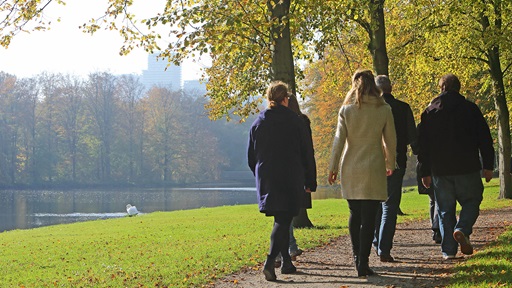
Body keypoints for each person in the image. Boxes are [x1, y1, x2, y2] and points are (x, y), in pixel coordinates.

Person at [417, 74, 494, 260]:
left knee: (445, 210)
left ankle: (448, 251)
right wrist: (488, 165)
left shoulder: (429, 112)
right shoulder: (471, 109)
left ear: (441, 88)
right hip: (467, 167)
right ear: (459, 88)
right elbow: (484, 138)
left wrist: (424, 171)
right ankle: (462, 228)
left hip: (440, 170)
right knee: (472, 201)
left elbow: (423, 146)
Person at [328, 69, 396, 277]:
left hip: (350, 167)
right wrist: (390, 162)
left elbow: (338, 141)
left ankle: (357, 257)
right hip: (374, 166)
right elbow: (390, 141)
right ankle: (363, 262)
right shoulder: (384, 109)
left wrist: (332, 168)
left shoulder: (346, 110)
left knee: (354, 214)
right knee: (369, 217)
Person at [247, 81, 317, 281]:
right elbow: (306, 153)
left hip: (268, 178)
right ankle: (270, 261)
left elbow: (251, 157)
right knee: (283, 219)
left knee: (282, 219)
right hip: (290, 176)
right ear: (285, 98)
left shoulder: (259, 122)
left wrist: (260, 175)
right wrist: (310, 181)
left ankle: (286, 262)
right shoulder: (295, 121)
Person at [373, 75, 417, 262]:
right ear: (391, 87)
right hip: (397, 161)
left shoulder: (370, 109)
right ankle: (384, 248)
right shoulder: (403, 107)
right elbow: (412, 136)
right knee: (390, 205)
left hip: (373, 161)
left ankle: (376, 242)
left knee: (375, 203)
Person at [274, 94, 317, 267]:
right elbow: (308, 151)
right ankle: (287, 249)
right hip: (297, 172)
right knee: (287, 212)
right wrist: (309, 178)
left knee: (284, 213)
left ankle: (282, 251)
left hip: (280, 172)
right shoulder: (302, 121)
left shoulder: (278, 121)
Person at [416, 160, 441, 244]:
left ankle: (435, 230)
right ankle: (437, 229)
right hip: (437, 165)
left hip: (426, 166)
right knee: (437, 199)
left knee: (433, 201)